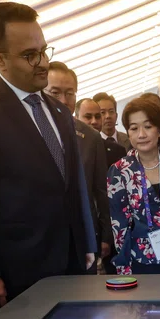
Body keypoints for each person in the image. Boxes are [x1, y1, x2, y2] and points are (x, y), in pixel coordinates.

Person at [0, 3, 96, 315]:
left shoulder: (58, 111)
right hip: (17, 274)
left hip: (72, 265)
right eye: (30, 55)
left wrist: (86, 245)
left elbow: (72, 186)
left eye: (44, 50)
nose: (43, 62)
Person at [108, 97, 160, 275]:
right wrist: (124, 269)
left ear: (159, 129)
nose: (141, 134)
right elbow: (119, 225)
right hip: (141, 259)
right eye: (134, 128)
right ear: (128, 133)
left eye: (148, 126)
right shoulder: (119, 170)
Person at [46, 62, 112, 266]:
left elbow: (101, 190)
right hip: (42, 239)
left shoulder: (90, 137)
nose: (64, 101)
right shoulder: (27, 131)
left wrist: (105, 236)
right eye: (55, 93)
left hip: (84, 238)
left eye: (70, 93)